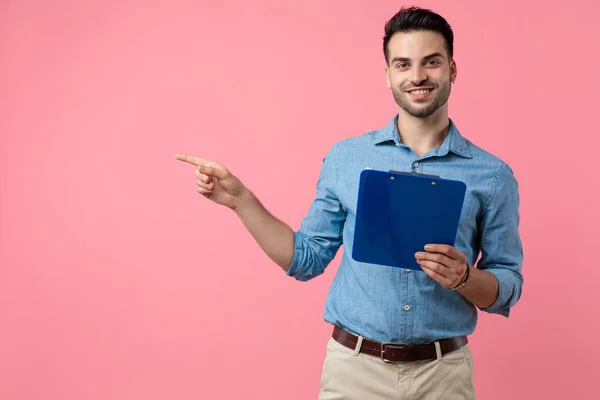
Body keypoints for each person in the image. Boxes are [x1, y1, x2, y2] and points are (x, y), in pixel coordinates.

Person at [175, 6, 523, 399]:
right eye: (403, 64)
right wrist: (241, 201)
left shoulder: (492, 175)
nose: (418, 76)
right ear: (388, 75)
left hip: (443, 377)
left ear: (453, 69)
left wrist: (464, 278)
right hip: (355, 373)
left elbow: (507, 285)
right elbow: (306, 259)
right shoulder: (347, 158)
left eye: (432, 62)